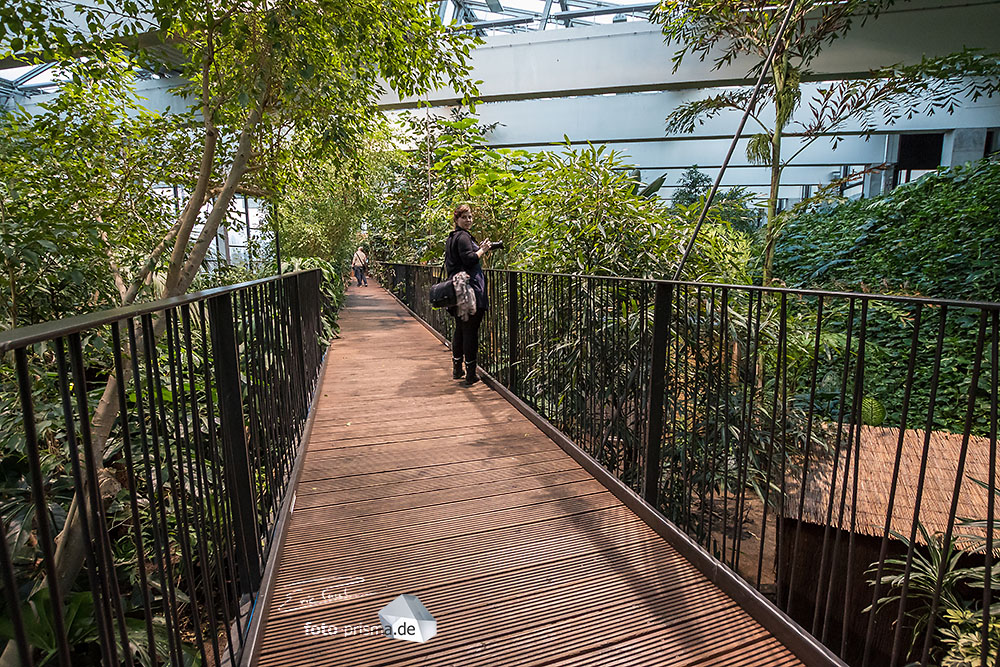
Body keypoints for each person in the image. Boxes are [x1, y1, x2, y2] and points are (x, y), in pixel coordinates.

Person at [445, 204, 492, 385]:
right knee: (470, 331)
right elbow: (469, 258)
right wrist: (482, 250)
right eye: (464, 217)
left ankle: (458, 368)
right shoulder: (463, 236)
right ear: (456, 219)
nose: (468, 220)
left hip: (457, 290)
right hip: (469, 291)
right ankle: (470, 374)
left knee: (461, 329)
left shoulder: (452, 237)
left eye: (470, 217)